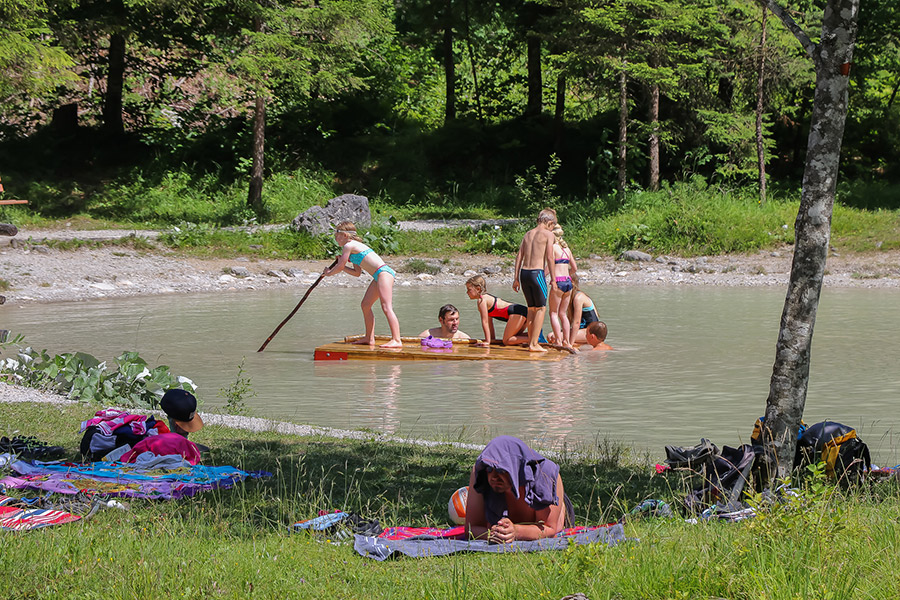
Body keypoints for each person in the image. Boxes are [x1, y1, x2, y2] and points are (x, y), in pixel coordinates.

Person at [464, 435, 567, 543]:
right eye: (489, 469)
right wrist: (492, 534)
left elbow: (549, 529)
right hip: (510, 519)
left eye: (501, 471)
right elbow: (471, 529)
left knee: (558, 525)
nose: (493, 477)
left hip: (548, 511)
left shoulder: (544, 474)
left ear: (515, 467)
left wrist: (516, 531)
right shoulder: (481, 473)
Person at [323, 221, 402, 348]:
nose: (335, 239)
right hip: (378, 276)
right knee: (365, 305)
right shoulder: (352, 249)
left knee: (386, 307)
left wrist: (328, 273)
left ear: (344, 235)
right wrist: (341, 267)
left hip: (384, 273)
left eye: (337, 236)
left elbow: (339, 266)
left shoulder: (349, 246)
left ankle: (397, 340)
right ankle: (369, 338)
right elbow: (356, 273)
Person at [513, 208, 557, 353]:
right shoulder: (548, 235)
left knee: (531, 308)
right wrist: (554, 279)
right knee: (541, 309)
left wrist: (516, 278)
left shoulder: (528, 234)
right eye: (553, 225)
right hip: (537, 274)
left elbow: (519, 256)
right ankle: (534, 343)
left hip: (524, 274)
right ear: (549, 222)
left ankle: (531, 341)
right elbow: (550, 257)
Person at [465, 275, 529, 347]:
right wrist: (492, 340)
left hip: (517, 312)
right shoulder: (486, 299)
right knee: (515, 337)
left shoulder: (482, 301)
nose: (467, 292)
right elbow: (489, 324)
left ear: (478, 289)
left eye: (469, 289)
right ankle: (535, 335)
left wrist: (487, 341)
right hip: (522, 311)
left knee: (507, 341)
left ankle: (535, 338)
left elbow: (485, 322)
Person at [549, 225, 577, 351]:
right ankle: (567, 341)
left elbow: (548, 268)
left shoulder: (553, 248)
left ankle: (558, 341)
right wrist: (567, 275)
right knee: (563, 314)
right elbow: (575, 269)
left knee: (553, 313)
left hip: (558, 283)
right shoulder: (567, 249)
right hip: (568, 283)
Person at [567, 280, 600, 346]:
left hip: (590, 332)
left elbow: (577, 323)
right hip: (584, 331)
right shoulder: (573, 297)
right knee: (554, 336)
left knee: (552, 336)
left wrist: (570, 344)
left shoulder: (579, 298)